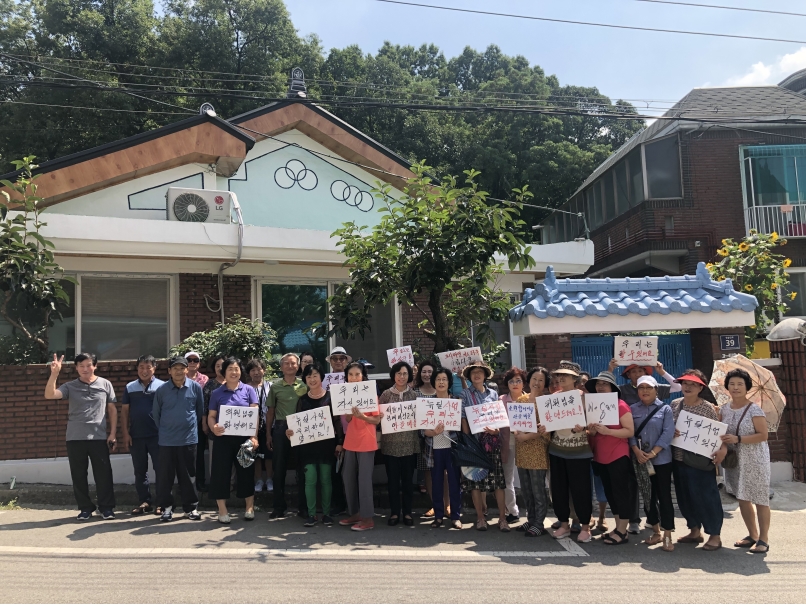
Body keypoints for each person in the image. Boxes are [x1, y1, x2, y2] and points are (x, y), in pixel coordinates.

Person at [44, 353, 117, 520]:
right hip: (75, 438)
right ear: (76, 368)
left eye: (89, 365)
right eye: (81, 366)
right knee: (78, 475)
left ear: (95, 366)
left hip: (99, 437)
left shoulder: (105, 384)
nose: (85, 369)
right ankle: (85, 508)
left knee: (104, 474)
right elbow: (49, 395)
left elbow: (112, 410)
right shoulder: (70, 386)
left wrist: (112, 433)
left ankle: (106, 508)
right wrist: (54, 374)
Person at [670, 369, 727, 551]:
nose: (687, 387)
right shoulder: (675, 404)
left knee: (706, 497)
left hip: (701, 461)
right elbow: (668, 426)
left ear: (700, 388)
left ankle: (715, 535)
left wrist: (722, 450)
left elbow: (718, 434)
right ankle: (694, 530)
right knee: (684, 497)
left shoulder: (707, 407)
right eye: (685, 383)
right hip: (678, 459)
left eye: (693, 384)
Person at [285, 362, 344, 527]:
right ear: (305, 379)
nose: (312, 379)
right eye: (308, 376)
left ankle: (326, 514)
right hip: (308, 447)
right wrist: (289, 432)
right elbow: (295, 424)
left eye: (315, 375)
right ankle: (311, 515)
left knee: (326, 480)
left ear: (321, 377)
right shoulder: (302, 400)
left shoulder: (330, 398)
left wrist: (340, 443)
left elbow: (337, 422)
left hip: (327, 446)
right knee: (310, 480)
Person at [720, 368, 771, 554]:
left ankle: (764, 539)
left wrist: (738, 439)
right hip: (735, 460)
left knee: (760, 498)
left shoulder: (755, 409)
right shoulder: (724, 409)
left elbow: (763, 435)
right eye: (732, 384)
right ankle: (752, 535)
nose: (735, 387)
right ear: (727, 387)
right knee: (742, 497)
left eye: (740, 384)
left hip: (755, 459)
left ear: (747, 387)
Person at [543, 361, 593, 543]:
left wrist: (585, 428)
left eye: (565, 376)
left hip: (580, 451)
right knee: (559, 489)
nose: (560, 378)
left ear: (575, 379)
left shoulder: (585, 397)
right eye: (558, 375)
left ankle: (585, 526)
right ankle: (563, 524)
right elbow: (549, 424)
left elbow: (595, 427)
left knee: (582, 490)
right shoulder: (553, 398)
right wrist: (544, 428)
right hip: (557, 449)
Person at [585, 371, 636, 545]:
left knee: (621, 492)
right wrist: (591, 430)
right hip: (600, 455)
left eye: (604, 384)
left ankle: (623, 531)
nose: (600, 387)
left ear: (612, 387)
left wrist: (609, 431)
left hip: (618, 454)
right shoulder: (593, 406)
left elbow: (629, 431)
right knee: (610, 493)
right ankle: (618, 527)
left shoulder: (621, 405)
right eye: (598, 384)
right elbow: (592, 433)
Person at [152, 356, 204, 522]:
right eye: (175, 368)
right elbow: (156, 414)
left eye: (182, 368)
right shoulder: (161, 390)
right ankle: (167, 508)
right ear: (169, 371)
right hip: (167, 441)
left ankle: (191, 508)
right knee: (165, 477)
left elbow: (199, 411)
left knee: (188, 476)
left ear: (187, 370)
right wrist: (167, 430)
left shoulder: (195, 388)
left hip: (188, 440)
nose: (179, 371)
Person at [208, 357, 260, 523]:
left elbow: (255, 415)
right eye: (230, 369)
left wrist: (254, 436)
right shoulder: (216, 393)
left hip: (244, 439)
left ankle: (249, 507)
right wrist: (213, 427)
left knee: (246, 471)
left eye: (236, 369)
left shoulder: (249, 390)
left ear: (240, 372)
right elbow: (211, 416)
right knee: (220, 473)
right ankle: (222, 510)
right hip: (223, 439)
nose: (234, 372)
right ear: (224, 372)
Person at [460, 361, 509, 532]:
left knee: (498, 482)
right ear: (469, 376)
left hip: (492, 442)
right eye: (474, 372)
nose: (477, 375)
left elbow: (498, 417)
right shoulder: (464, 394)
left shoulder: (493, 394)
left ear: (485, 375)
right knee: (475, 482)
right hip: (475, 443)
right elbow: (464, 418)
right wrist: (469, 440)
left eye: (480, 372)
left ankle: (502, 519)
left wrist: (496, 431)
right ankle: (480, 518)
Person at [629, 375, 676, 551]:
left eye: (649, 388)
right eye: (641, 388)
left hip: (662, 460)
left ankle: (668, 535)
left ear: (656, 390)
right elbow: (630, 432)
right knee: (648, 497)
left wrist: (653, 452)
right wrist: (635, 450)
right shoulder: (632, 409)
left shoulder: (665, 409)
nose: (645, 391)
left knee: (664, 497)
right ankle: (655, 531)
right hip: (640, 459)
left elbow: (668, 433)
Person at [266, 352, 308, 518]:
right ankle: (278, 507)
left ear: (298, 366)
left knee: (302, 468)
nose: (290, 366)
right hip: (280, 428)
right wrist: (268, 434)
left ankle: (303, 507)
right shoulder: (275, 387)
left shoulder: (304, 385)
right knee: (279, 468)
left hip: (300, 428)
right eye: (287, 363)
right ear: (281, 366)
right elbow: (270, 412)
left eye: (293, 363)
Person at [121, 355, 165, 515]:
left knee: (161, 470)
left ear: (154, 368)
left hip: (158, 436)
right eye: (141, 367)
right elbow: (124, 412)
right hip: (136, 436)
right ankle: (144, 501)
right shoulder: (130, 387)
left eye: (148, 367)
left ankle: (162, 502)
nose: (144, 370)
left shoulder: (163, 386)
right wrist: (125, 433)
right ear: (137, 368)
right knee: (140, 471)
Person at [340, 361, 380, 531]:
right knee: (347, 477)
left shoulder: (371, 393)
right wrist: (350, 413)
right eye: (350, 374)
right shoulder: (344, 394)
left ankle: (368, 518)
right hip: (350, 440)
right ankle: (355, 513)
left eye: (357, 374)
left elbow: (376, 420)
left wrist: (362, 416)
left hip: (366, 440)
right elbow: (348, 420)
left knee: (364, 481)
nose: (354, 377)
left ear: (363, 375)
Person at [420, 367, 463, 529]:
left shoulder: (456, 401)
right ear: (434, 382)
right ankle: (438, 515)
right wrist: (432, 432)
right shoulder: (428, 403)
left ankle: (455, 516)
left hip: (452, 447)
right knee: (436, 483)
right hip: (434, 448)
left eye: (444, 379)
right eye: (438, 379)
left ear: (449, 382)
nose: (441, 382)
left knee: (454, 483)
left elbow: (462, 425)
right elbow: (423, 430)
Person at [379, 361, 420, 526]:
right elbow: (378, 419)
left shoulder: (415, 396)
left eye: (405, 374)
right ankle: (395, 512)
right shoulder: (385, 395)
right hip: (391, 445)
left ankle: (408, 513)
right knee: (393, 482)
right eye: (398, 373)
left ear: (409, 375)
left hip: (410, 444)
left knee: (408, 482)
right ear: (393, 375)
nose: (401, 377)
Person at [513, 367, 551, 537]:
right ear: (529, 380)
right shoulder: (520, 400)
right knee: (526, 488)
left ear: (545, 383)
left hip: (538, 450)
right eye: (534, 379)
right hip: (522, 449)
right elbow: (515, 423)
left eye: (541, 380)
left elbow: (547, 429)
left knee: (538, 489)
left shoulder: (547, 402)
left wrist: (526, 436)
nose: (537, 382)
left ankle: (539, 522)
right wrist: (516, 432)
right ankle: (531, 518)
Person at [413, 360, 442, 518]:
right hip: (423, 438)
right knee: (428, 473)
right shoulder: (415, 392)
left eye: (430, 371)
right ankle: (434, 504)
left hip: (443, 437)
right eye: (423, 371)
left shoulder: (442, 390)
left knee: (443, 472)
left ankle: (447, 504)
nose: (426, 374)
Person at [499, 366, 525, 525]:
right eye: (511, 381)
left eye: (518, 380)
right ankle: (513, 510)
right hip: (507, 442)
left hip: (527, 441)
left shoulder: (529, 399)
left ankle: (533, 513)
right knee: (507, 477)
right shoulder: (501, 400)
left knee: (527, 478)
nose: (515, 384)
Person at [246, 358, 272, 493]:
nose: (256, 372)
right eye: (253, 370)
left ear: (264, 370)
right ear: (249, 373)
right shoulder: (245, 387)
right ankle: (259, 479)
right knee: (255, 454)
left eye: (259, 369)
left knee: (268, 454)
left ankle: (269, 479)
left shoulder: (271, 386)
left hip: (268, 425)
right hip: (251, 427)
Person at [608, 359, 681, 405]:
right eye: (633, 372)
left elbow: (678, 387)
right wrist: (610, 370)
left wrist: (661, 372)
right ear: (628, 375)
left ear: (646, 373)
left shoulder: (655, 387)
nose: (637, 374)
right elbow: (605, 392)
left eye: (640, 371)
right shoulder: (622, 389)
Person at [184, 351, 209, 492]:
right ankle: (186, 484)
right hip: (183, 420)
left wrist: (204, 422)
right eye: (189, 360)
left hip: (199, 420)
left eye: (195, 360)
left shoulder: (204, 379)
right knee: (184, 453)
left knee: (199, 453)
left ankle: (200, 482)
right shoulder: (180, 377)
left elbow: (205, 403)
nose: (192, 362)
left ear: (199, 363)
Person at [202, 355, 227, 487]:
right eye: (217, 366)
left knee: (230, 459)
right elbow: (204, 405)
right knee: (214, 457)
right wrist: (205, 423)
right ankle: (215, 484)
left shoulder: (234, 383)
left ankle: (231, 483)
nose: (220, 368)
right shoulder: (210, 384)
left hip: (232, 428)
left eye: (222, 365)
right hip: (214, 426)